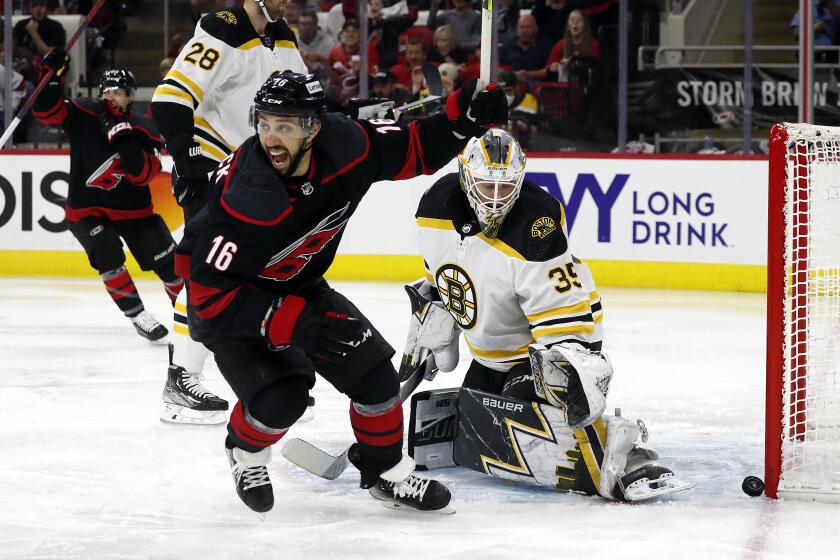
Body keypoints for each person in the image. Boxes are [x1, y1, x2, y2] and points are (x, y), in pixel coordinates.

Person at [174, 70, 507, 513]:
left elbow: (412, 148)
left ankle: (386, 472)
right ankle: (245, 451)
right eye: (265, 123)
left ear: (314, 127)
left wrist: (464, 116)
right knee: (282, 399)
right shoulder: (245, 196)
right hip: (234, 305)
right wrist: (290, 322)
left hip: (300, 286)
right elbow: (205, 302)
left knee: (377, 380)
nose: (271, 138)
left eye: (285, 126)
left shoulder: (348, 147)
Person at [402, 128, 693, 502]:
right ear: (465, 176)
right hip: (493, 352)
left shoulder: (535, 225)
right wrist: (434, 333)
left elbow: (562, 319)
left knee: (530, 425)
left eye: (504, 188)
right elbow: (441, 279)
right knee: (476, 431)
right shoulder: (435, 208)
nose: (494, 199)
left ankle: (625, 453)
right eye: (486, 186)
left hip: (548, 344)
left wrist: (567, 375)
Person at [150, 0, 309, 425]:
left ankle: (267, 375)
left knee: (261, 273)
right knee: (208, 272)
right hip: (214, 169)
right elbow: (170, 99)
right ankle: (181, 378)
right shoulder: (223, 28)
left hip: (256, 178)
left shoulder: (283, 37)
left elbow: (305, 106)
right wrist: (186, 159)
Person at [32, 51, 178, 344]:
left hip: (135, 212)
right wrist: (51, 77)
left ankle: (193, 314)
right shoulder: (81, 113)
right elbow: (44, 111)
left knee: (171, 265)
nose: (113, 96)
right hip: (87, 210)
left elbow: (141, 174)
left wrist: (121, 136)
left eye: (120, 92)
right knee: (107, 254)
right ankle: (137, 315)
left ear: (130, 97)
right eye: (108, 91)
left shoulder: (141, 127)